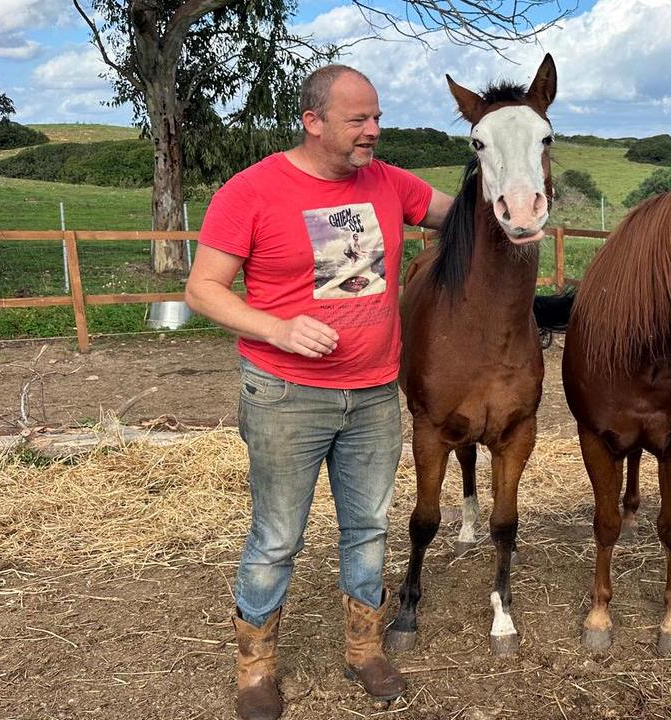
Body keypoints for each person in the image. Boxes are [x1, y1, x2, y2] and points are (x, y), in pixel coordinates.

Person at [186, 65, 453, 720]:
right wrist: (276, 328)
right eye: (359, 119)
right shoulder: (251, 191)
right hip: (286, 396)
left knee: (368, 529)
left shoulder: (390, 182)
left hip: (373, 396)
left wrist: (514, 180)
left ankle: (364, 649)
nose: (374, 130)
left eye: (377, 117)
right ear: (313, 121)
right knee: (277, 537)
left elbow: (466, 212)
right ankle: (255, 669)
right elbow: (202, 290)